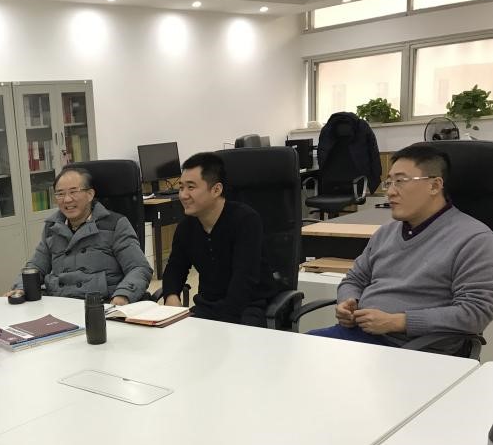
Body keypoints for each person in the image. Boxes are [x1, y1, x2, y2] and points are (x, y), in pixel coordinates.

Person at [307, 144, 493, 350]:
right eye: (389, 182)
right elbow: (354, 279)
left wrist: (399, 322)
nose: (390, 192)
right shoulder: (386, 232)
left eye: (401, 181)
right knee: (295, 352)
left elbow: (475, 313)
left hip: (415, 349)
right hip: (359, 336)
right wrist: (348, 301)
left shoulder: (474, 239)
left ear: (434, 185)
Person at [161, 152, 277, 325]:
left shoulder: (245, 220)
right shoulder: (186, 227)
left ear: (216, 190)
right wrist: (171, 297)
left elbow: (244, 279)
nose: (183, 195)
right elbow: (175, 267)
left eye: (191, 187)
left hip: (248, 306)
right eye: (181, 187)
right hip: (207, 306)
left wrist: (222, 326)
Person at [8, 167, 151, 305]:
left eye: (73, 192)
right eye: (60, 194)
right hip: (59, 304)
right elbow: (36, 267)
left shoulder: (115, 225)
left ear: (90, 194)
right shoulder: (52, 227)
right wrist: (20, 288)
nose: (67, 199)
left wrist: (123, 295)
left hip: (101, 305)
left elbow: (139, 268)